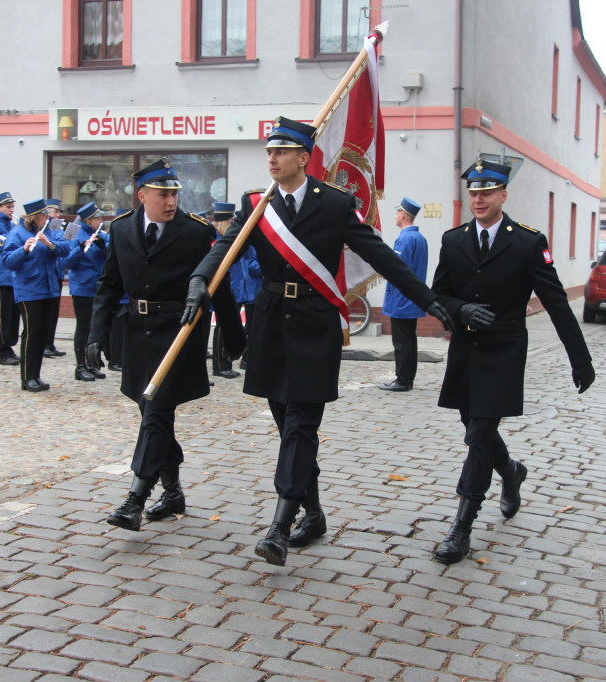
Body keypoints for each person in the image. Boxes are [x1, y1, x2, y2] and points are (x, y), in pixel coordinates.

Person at [183, 117, 454, 566]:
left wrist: (428, 298)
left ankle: (279, 524)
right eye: (269, 151)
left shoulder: (334, 204)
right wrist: (200, 279)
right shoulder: (258, 203)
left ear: (304, 158)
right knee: (286, 423)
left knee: (301, 426)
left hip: (315, 326)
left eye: (282, 151)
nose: (272, 158)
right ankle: (314, 512)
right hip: (270, 328)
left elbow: (380, 255)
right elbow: (225, 247)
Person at [429, 156, 595, 565]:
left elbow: (556, 302)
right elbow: (439, 294)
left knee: (478, 433)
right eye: (474, 192)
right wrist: (460, 310)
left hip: (505, 350)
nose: (479, 199)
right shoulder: (453, 240)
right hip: (466, 348)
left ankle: (462, 528)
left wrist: (580, 359)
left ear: (504, 194)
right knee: (475, 428)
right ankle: (511, 471)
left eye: (487, 192)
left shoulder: (526, 241)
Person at [86, 158, 245, 532]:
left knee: (156, 412)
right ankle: (172, 491)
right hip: (137, 333)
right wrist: (96, 333)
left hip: (179, 332)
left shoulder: (193, 232)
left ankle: (135, 498)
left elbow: (217, 280)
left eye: (174, 193)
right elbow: (108, 284)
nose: (171, 201)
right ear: (143, 195)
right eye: (163, 194)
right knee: (153, 415)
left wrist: (235, 340)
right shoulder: (122, 229)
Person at [3, 199, 72, 392]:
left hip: (49, 289)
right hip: (29, 290)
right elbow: (8, 261)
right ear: (34, 217)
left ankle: (36, 375)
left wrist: (49, 244)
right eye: (44, 216)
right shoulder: (17, 233)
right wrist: (24, 249)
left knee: (42, 335)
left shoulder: (49, 231)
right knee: (31, 334)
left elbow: (65, 248)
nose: (48, 218)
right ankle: (27, 377)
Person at [379, 196, 429, 392]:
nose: (395, 216)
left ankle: (403, 380)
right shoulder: (420, 238)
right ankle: (407, 378)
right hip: (412, 297)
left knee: (401, 342)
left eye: (397, 212)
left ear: (402, 215)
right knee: (409, 340)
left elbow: (397, 269)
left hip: (401, 298)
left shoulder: (405, 238)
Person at [211, 201, 258, 378]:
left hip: (239, 288)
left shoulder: (235, 238)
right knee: (223, 327)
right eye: (230, 222)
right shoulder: (217, 240)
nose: (233, 225)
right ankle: (220, 366)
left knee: (233, 327)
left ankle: (228, 361)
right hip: (227, 288)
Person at [64, 201, 109, 381]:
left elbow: (112, 253)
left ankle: (91, 364)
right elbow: (66, 261)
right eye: (97, 218)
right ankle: (80, 366)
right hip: (82, 286)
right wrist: (80, 249)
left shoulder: (101, 234)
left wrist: (103, 246)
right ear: (89, 220)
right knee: (83, 326)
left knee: (93, 327)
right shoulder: (73, 230)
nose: (101, 221)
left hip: (97, 285)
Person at [0, 192, 20, 366]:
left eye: (12, 207)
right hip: (1, 275)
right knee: (5, 315)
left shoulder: (9, 223)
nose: (11, 210)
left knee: (13, 316)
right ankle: (3, 350)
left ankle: (10, 347)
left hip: (12, 275)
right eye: (8, 207)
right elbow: (3, 244)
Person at [42, 198, 67, 358]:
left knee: (53, 312)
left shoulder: (56, 226)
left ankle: (50, 342)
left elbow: (65, 245)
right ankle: (44, 343)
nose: (57, 215)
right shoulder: (45, 227)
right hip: (48, 273)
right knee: (46, 313)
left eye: (58, 212)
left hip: (57, 272)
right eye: (54, 211)